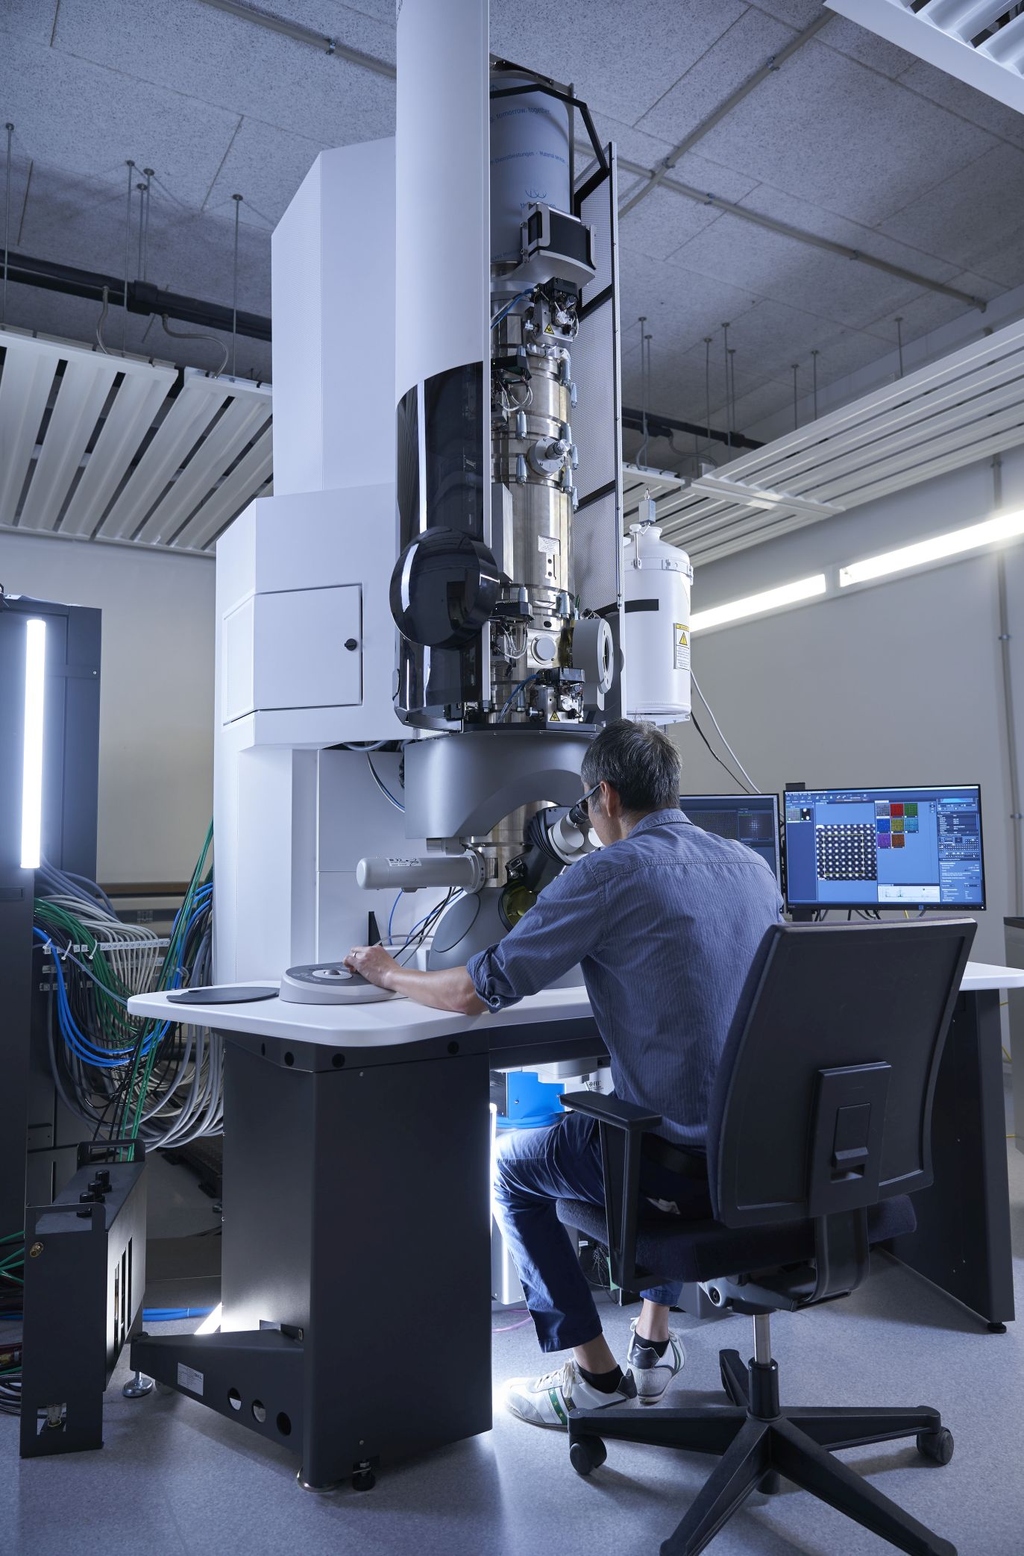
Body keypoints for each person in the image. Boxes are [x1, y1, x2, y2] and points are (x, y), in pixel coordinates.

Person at [345, 719, 783, 1429]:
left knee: (510, 1168)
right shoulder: (751, 867)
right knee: (658, 1105)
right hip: (758, 1153)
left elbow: (472, 994)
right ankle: (652, 1342)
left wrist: (389, 972)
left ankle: (594, 1376)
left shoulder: (608, 872)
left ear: (604, 797)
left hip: (675, 1168)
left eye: (584, 807)